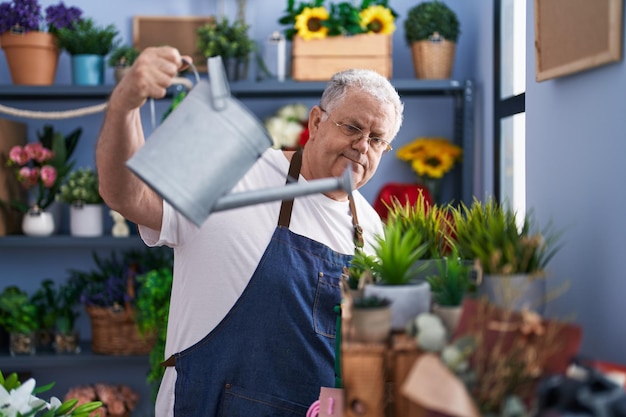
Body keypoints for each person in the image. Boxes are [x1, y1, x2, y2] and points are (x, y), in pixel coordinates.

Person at [96, 46, 404, 417]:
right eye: (353, 127)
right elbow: (126, 194)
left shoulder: (372, 231)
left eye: (376, 140)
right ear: (317, 121)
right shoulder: (235, 173)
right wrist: (125, 104)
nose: (361, 146)